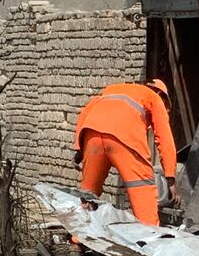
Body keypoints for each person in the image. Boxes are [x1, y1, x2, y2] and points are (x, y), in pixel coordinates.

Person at [73, 78, 178, 226]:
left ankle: (77, 241)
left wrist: (79, 147)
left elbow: (86, 111)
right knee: (142, 187)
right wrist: (170, 177)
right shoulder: (154, 97)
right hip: (124, 137)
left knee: (88, 192)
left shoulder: (112, 89)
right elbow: (164, 138)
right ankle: (149, 238)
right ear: (161, 93)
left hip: (93, 136)